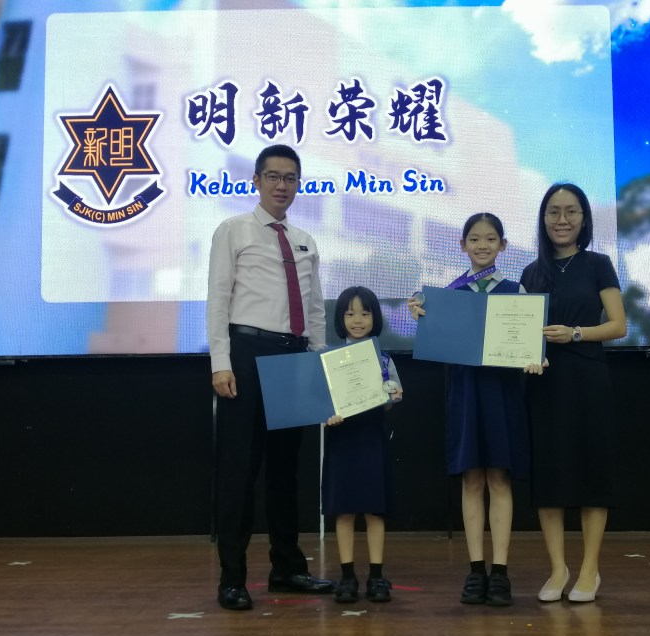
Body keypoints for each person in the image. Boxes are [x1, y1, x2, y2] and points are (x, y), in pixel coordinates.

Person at [206, 144, 334, 611]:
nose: (282, 185)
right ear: (256, 181)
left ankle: (287, 568)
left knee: (286, 470)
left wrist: (317, 361)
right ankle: (232, 578)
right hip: (247, 353)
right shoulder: (233, 230)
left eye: (290, 178)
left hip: (294, 356)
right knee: (240, 470)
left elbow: (315, 309)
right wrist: (221, 362)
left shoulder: (305, 240)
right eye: (274, 176)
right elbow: (218, 299)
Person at [409, 213, 542, 607]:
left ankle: (500, 572)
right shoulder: (447, 294)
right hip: (465, 392)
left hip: (502, 393)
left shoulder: (518, 292)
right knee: (471, 480)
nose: (482, 245)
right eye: (474, 239)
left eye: (490, 239)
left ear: (503, 245)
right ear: (462, 245)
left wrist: (537, 355)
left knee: (499, 478)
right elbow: (435, 340)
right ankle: (476, 570)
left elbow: (530, 344)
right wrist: (421, 315)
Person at [520, 182, 626, 603]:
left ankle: (589, 569)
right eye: (553, 212)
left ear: (584, 219)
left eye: (571, 211)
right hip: (543, 382)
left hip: (587, 379)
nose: (561, 220)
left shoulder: (599, 264)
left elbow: (618, 325)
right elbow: (519, 331)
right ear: (543, 219)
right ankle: (558, 568)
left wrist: (575, 333)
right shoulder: (531, 272)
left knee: (591, 473)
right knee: (549, 477)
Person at [322, 286, 403, 604]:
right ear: (340, 319)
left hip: (372, 439)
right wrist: (328, 415)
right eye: (350, 313)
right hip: (342, 440)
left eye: (365, 313)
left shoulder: (383, 359)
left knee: (374, 509)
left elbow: (390, 399)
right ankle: (347, 576)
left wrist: (392, 396)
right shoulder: (328, 360)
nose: (358, 320)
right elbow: (320, 402)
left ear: (375, 318)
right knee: (343, 510)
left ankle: (376, 576)